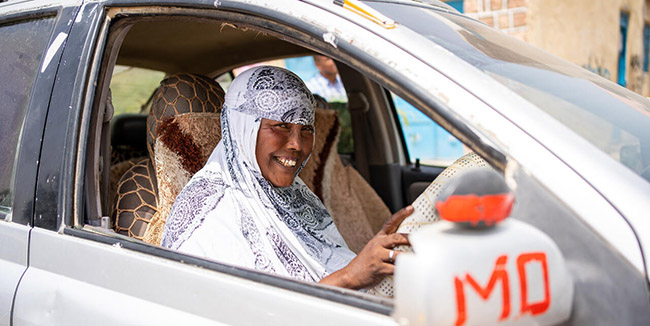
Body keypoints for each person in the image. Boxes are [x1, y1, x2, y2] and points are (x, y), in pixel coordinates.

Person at [161, 66, 412, 290]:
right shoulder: (208, 214)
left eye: (306, 129)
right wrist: (348, 278)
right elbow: (243, 316)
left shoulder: (294, 195)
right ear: (244, 128)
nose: (297, 144)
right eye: (280, 126)